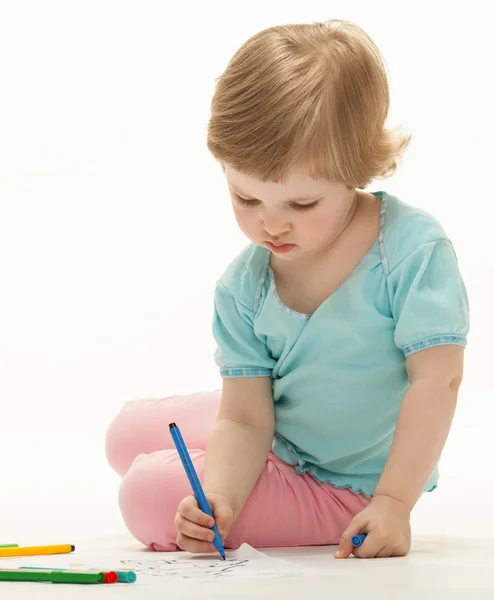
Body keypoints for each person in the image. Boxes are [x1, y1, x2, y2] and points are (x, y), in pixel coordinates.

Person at [106, 19, 469, 559]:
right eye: (246, 199)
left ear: (357, 170)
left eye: (302, 205)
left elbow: (437, 382)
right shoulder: (243, 285)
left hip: (343, 484)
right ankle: (234, 470)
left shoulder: (411, 253)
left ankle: (262, 478)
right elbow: (246, 418)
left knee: (147, 494)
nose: (271, 227)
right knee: (124, 434)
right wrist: (222, 497)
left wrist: (393, 502)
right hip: (274, 428)